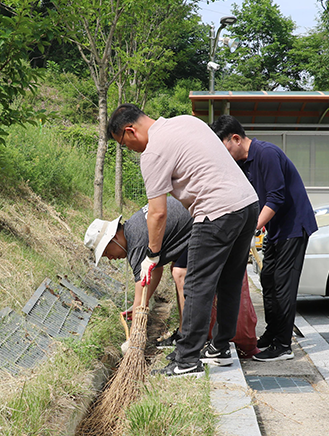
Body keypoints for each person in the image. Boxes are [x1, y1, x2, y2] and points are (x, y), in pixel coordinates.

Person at [107, 104, 259, 377]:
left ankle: (187, 359)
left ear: (130, 130)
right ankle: (220, 348)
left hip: (215, 211)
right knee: (229, 282)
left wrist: (152, 255)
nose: (131, 149)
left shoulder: (153, 151)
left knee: (196, 284)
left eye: (125, 144)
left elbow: (157, 212)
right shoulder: (188, 122)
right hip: (247, 205)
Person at [210, 115, 318, 362]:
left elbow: (276, 198)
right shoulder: (244, 162)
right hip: (277, 230)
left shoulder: (266, 153)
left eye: (224, 147)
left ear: (235, 139)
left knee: (283, 287)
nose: (224, 155)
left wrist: (250, 229)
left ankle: (283, 345)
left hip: (293, 227)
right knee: (268, 280)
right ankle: (272, 333)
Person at [83, 197, 191, 351]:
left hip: (201, 223)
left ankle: (187, 339)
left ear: (114, 238)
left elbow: (141, 297)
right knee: (177, 269)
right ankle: (183, 333)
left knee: (180, 273)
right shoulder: (132, 228)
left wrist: (134, 340)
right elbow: (156, 269)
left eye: (107, 252)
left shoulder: (136, 245)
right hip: (191, 221)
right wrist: (136, 307)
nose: (111, 258)